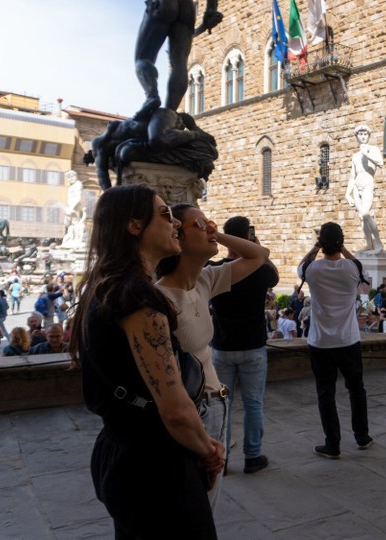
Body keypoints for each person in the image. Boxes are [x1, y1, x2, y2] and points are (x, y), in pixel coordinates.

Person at [70, 184, 224, 538]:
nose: (175, 225)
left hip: (122, 452)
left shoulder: (104, 286)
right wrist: (207, 449)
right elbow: (173, 407)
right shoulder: (138, 297)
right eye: (165, 214)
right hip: (155, 466)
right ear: (134, 226)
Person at [156, 204, 269, 506]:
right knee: (192, 506)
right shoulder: (160, 299)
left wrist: (216, 233)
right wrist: (201, 442)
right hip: (192, 413)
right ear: (175, 237)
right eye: (198, 224)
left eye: (210, 222)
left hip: (213, 405)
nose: (208, 228)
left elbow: (260, 255)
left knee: (208, 504)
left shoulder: (204, 280)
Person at [208, 215, 280, 475]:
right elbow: (274, 273)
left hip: (222, 347)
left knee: (222, 406)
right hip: (252, 346)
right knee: (253, 405)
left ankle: (222, 460)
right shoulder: (260, 270)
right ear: (248, 238)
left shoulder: (213, 268)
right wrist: (255, 246)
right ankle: (253, 456)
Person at [298, 222, 373, 458]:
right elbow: (366, 283)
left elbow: (301, 266)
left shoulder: (313, 269)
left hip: (320, 342)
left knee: (325, 393)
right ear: (341, 241)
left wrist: (315, 246)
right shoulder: (352, 268)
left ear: (321, 243)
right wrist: (345, 249)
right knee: (356, 389)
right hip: (348, 340)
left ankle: (333, 444)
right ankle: (362, 436)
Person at [345, 125, 384, 254]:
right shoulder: (355, 156)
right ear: (356, 137)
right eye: (360, 134)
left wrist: (366, 154)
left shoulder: (373, 149)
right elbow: (352, 176)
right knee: (362, 217)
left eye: (365, 134)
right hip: (357, 186)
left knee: (366, 213)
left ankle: (378, 243)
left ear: (368, 136)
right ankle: (368, 243)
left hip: (368, 183)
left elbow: (380, 162)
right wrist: (347, 193)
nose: (362, 136)